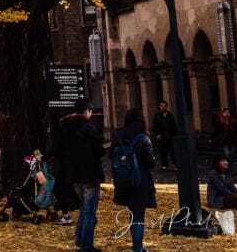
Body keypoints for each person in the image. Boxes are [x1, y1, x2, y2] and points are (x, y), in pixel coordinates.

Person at [53, 98, 104, 252]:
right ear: (87, 111)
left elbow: (60, 150)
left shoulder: (66, 128)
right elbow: (99, 151)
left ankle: (80, 239)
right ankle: (86, 245)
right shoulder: (88, 128)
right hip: (89, 174)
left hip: (74, 175)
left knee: (84, 208)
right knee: (89, 211)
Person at [111, 108, 156, 252]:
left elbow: (111, 154)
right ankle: (138, 248)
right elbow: (150, 162)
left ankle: (137, 246)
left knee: (132, 214)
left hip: (123, 180)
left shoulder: (119, 135)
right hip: (140, 181)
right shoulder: (143, 138)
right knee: (138, 216)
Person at [151, 101, 177, 171]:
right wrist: (157, 134)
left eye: (163, 106)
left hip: (169, 136)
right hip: (161, 137)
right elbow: (155, 126)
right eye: (161, 105)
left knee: (172, 151)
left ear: (166, 107)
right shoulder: (157, 115)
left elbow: (174, 126)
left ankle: (175, 164)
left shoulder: (170, 115)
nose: (162, 107)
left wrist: (174, 135)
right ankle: (164, 165)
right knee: (163, 151)